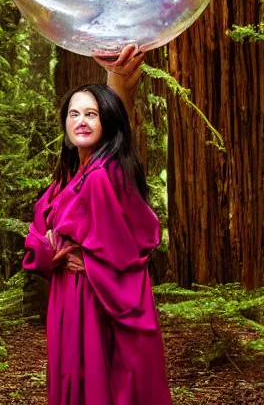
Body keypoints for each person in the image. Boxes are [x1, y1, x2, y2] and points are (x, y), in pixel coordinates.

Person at [23, 44, 172, 404]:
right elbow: (36, 237)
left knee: (98, 377)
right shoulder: (66, 179)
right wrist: (53, 250)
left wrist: (86, 260)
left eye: (91, 113)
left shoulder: (107, 174)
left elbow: (127, 244)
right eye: (74, 114)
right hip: (67, 297)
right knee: (72, 375)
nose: (82, 121)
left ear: (106, 121)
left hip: (95, 299)